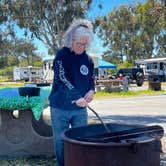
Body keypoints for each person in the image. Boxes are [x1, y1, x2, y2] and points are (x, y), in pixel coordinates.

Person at [49, 18, 95, 166]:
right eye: (79, 43)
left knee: (81, 139)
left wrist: (91, 90)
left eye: (85, 44)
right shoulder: (62, 55)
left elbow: (90, 80)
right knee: (61, 141)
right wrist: (75, 96)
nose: (82, 47)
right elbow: (62, 78)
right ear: (71, 39)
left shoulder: (88, 60)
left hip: (80, 109)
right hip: (60, 107)